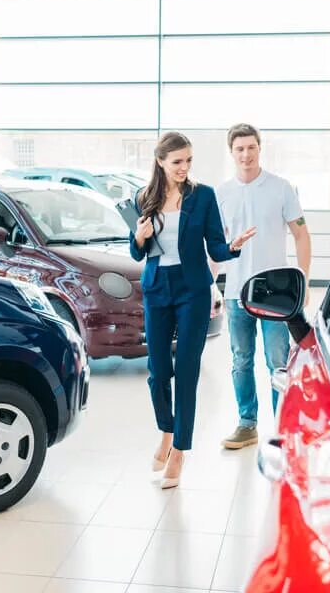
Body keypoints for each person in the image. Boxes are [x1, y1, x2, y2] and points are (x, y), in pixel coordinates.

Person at [130, 131, 255, 488]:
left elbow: (215, 247)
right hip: (157, 288)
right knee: (157, 371)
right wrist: (138, 238)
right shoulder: (145, 197)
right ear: (160, 162)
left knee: (186, 370)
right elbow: (138, 252)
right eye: (177, 162)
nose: (184, 168)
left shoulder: (203, 196)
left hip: (193, 290)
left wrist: (233, 247)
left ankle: (180, 450)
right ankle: (166, 431)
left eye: (188, 161)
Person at [216, 123, 312, 450]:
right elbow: (215, 246)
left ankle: (283, 427)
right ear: (232, 152)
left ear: (260, 149)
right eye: (239, 149)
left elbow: (301, 234)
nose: (245, 154)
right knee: (241, 359)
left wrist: (304, 278)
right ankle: (247, 424)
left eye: (251, 148)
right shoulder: (222, 194)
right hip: (235, 293)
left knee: (278, 362)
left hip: (276, 293)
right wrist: (210, 286)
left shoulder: (281, 188)